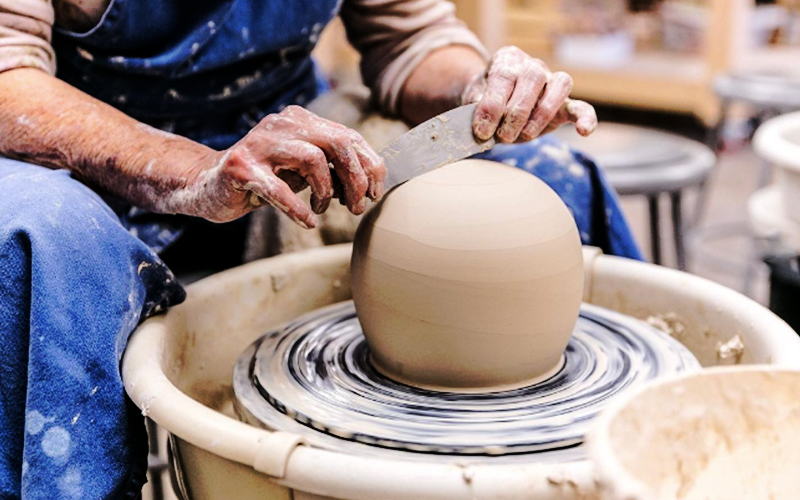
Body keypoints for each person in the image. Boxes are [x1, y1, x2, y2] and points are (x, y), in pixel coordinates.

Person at [0, 0, 641, 498]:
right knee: (51, 237)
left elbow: (411, 40)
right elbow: (9, 75)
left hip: (281, 128)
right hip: (73, 150)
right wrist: (192, 170)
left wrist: (480, 91)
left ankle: (605, 461)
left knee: (551, 178)